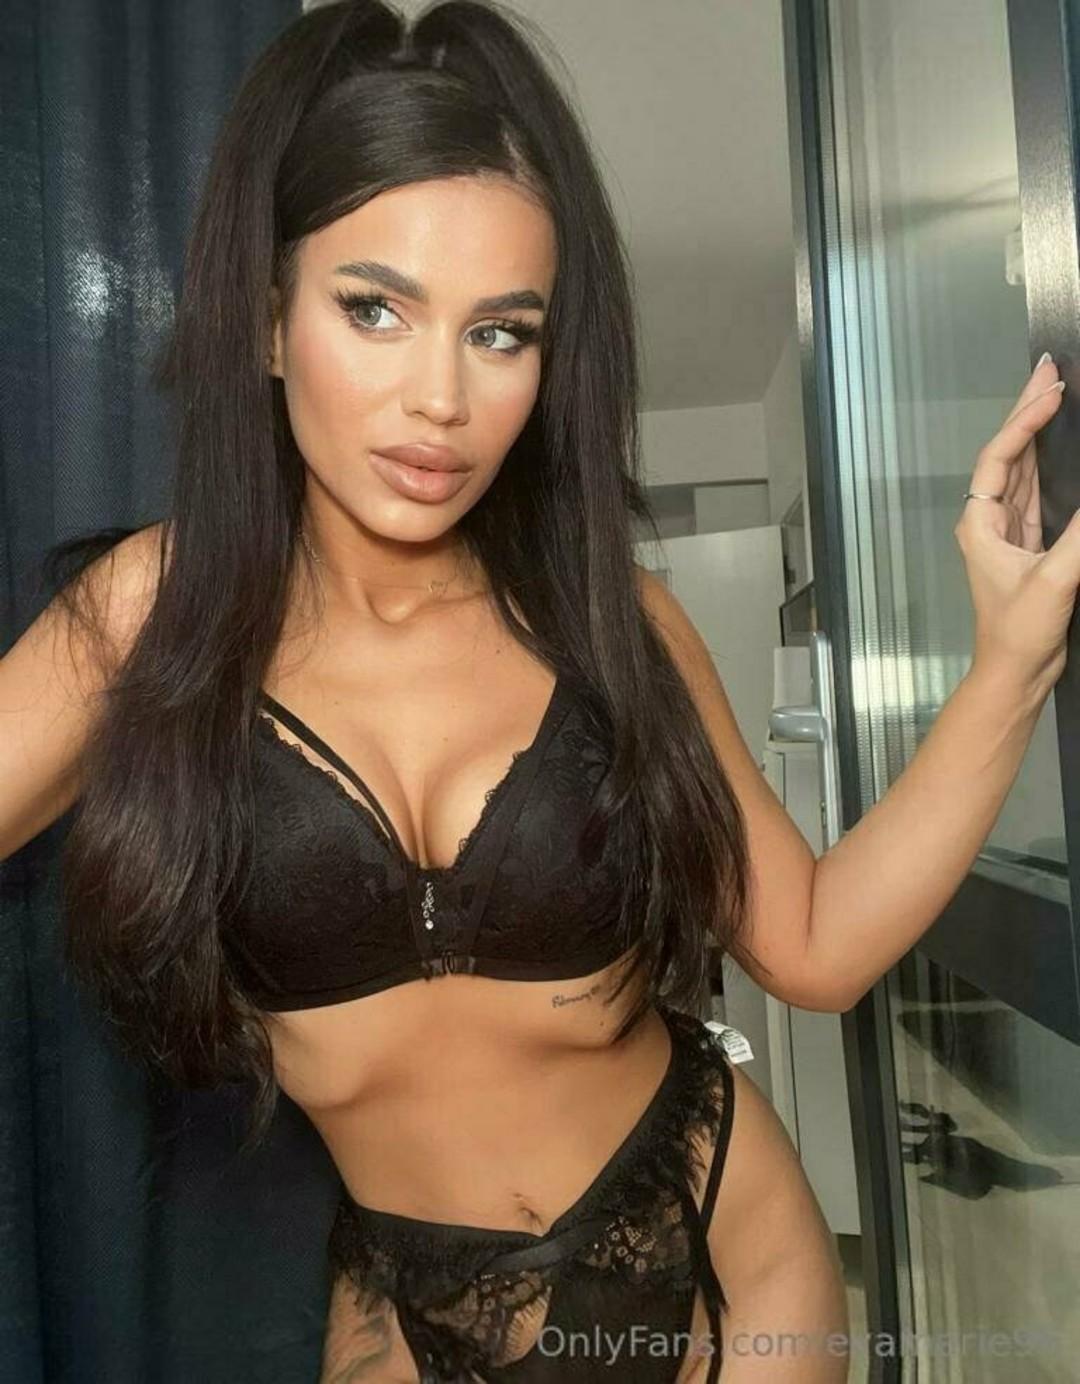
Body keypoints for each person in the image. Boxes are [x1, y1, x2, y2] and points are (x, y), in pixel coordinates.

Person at [1, 1, 1075, 1380]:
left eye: (501, 333)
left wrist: (1011, 665)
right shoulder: (150, 617)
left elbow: (812, 944)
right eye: (374, 309)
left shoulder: (607, 618)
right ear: (268, 322)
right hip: (412, 1308)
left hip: (723, 1256)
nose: (440, 399)